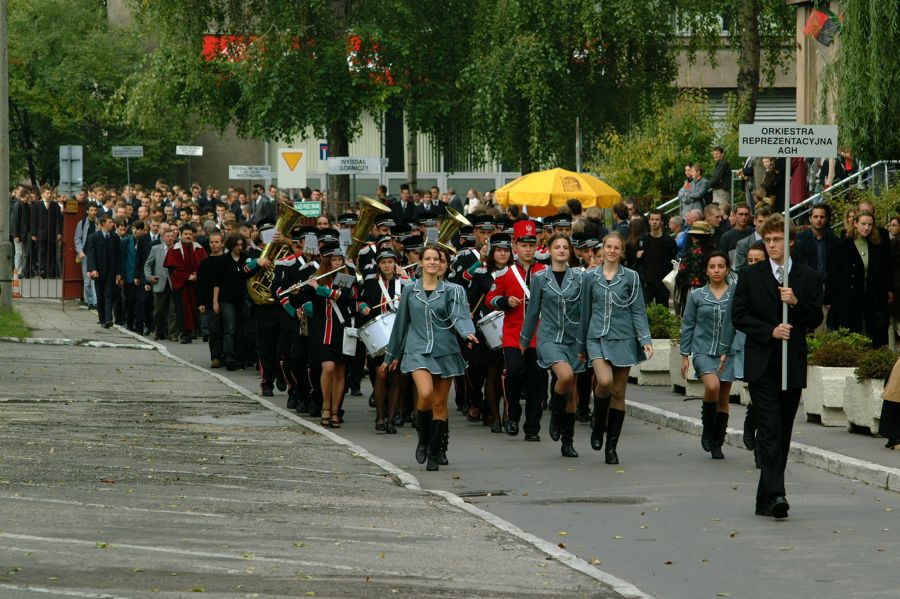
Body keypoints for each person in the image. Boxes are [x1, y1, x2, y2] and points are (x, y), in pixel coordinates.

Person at [732, 215, 824, 519]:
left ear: (791, 243)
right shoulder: (751, 274)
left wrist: (795, 302)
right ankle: (778, 494)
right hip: (762, 364)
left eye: (777, 240)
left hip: (792, 363)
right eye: (767, 239)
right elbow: (740, 316)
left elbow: (815, 319)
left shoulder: (808, 277)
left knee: (782, 432)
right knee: (770, 429)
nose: (771, 245)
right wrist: (770, 330)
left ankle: (764, 499)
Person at [382, 245, 477, 471]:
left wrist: (467, 333)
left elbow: (461, 317)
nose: (433, 262)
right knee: (425, 394)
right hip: (416, 351)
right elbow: (401, 325)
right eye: (428, 259)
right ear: (421, 263)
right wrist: (391, 355)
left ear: (442, 264)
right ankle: (423, 439)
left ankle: (436, 450)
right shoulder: (409, 291)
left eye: (437, 259)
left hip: (446, 351)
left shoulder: (454, 291)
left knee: (439, 403)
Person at [580, 232, 653, 465]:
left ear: (622, 251)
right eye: (608, 247)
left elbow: (638, 310)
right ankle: (598, 422)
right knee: (604, 382)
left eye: (616, 248)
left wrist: (645, 338)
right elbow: (584, 312)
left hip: (623, 338)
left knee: (619, 392)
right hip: (597, 337)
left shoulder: (631, 277)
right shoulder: (590, 277)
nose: (612, 251)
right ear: (602, 250)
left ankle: (611, 447)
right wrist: (581, 343)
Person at [519, 233, 585, 458]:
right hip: (548, 338)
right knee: (564, 377)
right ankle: (555, 413)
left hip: (573, 339)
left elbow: (586, 311)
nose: (561, 250)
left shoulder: (579, 278)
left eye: (565, 247)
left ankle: (568, 441)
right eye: (557, 246)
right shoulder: (539, 278)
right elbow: (533, 311)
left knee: (572, 393)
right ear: (549, 250)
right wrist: (524, 341)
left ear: (570, 251)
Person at [486, 220, 549, 441]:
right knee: (512, 373)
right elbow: (490, 299)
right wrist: (504, 301)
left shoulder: (545, 271)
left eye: (532, 244)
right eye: (523, 245)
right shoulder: (505, 274)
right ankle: (512, 414)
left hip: (539, 337)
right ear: (516, 247)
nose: (528, 249)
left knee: (538, 382)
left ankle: (532, 428)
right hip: (513, 335)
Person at [680, 250, 737, 459]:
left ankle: (717, 442)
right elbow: (688, 325)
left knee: (723, 397)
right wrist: (684, 355)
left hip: (728, 353)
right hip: (703, 350)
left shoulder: (735, 294)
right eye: (712, 266)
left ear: (727, 269)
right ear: (706, 270)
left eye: (721, 266)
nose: (716, 270)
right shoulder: (697, 296)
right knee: (712, 386)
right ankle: (707, 429)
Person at [297, 242, 356, 428]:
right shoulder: (316, 278)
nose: (337, 263)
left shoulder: (345, 277)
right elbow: (303, 297)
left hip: (342, 330)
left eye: (340, 259)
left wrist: (318, 289)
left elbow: (342, 295)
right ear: (326, 261)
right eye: (333, 260)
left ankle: (336, 411)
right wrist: (303, 292)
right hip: (323, 331)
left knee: (340, 372)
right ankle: (325, 406)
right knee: (328, 368)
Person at [825, 211, 890, 348]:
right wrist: (829, 299)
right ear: (855, 224)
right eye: (863, 224)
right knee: (850, 338)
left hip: (871, 300)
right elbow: (833, 275)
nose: (866, 228)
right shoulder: (841, 246)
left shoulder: (876, 246)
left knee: (872, 338)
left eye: (870, 225)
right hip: (848, 300)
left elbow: (882, 273)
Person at [359, 249, 405, 433]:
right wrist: (363, 307)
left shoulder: (403, 282)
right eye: (383, 262)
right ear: (378, 265)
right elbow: (359, 300)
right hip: (379, 334)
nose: (387, 265)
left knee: (395, 377)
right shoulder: (371, 282)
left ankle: (391, 419)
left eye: (390, 262)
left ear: (395, 263)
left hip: (399, 333)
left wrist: (408, 280)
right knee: (380, 374)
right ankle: (379, 417)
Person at [164, 224, 208, 344]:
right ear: (180, 234)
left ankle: (193, 331)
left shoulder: (199, 249)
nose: (188, 236)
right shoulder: (174, 250)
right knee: (182, 310)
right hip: (182, 285)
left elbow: (205, 266)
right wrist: (188, 276)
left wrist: (197, 275)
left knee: (195, 307)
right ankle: (184, 333)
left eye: (190, 234)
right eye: (186, 234)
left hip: (197, 284)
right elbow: (173, 269)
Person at [213, 233, 249, 371]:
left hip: (242, 298)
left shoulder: (246, 258)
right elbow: (217, 283)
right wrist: (215, 301)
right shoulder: (223, 260)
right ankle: (229, 358)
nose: (239, 247)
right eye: (237, 245)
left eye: (241, 245)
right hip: (227, 298)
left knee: (242, 329)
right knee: (230, 328)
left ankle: (240, 357)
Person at [84, 215, 123, 328]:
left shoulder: (115, 237)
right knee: (100, 296)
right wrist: (92, 269)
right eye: (110, 222)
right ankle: (102, 319)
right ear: (103, 224)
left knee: (108, 295)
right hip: (99, 272)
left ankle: (108, 319)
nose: (112, 224)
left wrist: (119, 272)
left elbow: (118, 256)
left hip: (111, 272)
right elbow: (91, 254)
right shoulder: (94, 237)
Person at [674, 220, 715, 316]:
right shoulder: (715, 250)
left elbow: (682, 272)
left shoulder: (692, 252)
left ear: (694, 237)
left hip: (694, 290)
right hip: (713, 289)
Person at [144, 229, 178, 341]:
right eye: (168, 236)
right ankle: (158, 331)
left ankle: (172, 334)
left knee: (173, 310)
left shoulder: (177, 249)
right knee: (159, 310)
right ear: (163, 237)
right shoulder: (155, 249)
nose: (170, 238)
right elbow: (148, 265)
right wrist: (149, 277)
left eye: (172, 236)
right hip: (160, 282)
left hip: (174, 283)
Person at [640, 209, 677, 307]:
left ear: (662, 222)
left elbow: (674, 260)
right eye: (652, 219)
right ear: (649, 221)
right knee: (644, 310)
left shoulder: (669, 241)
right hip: (647, 282)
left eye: (657, 219)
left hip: (662, 283)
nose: (654, 222)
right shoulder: (644, 240)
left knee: (663, 311)